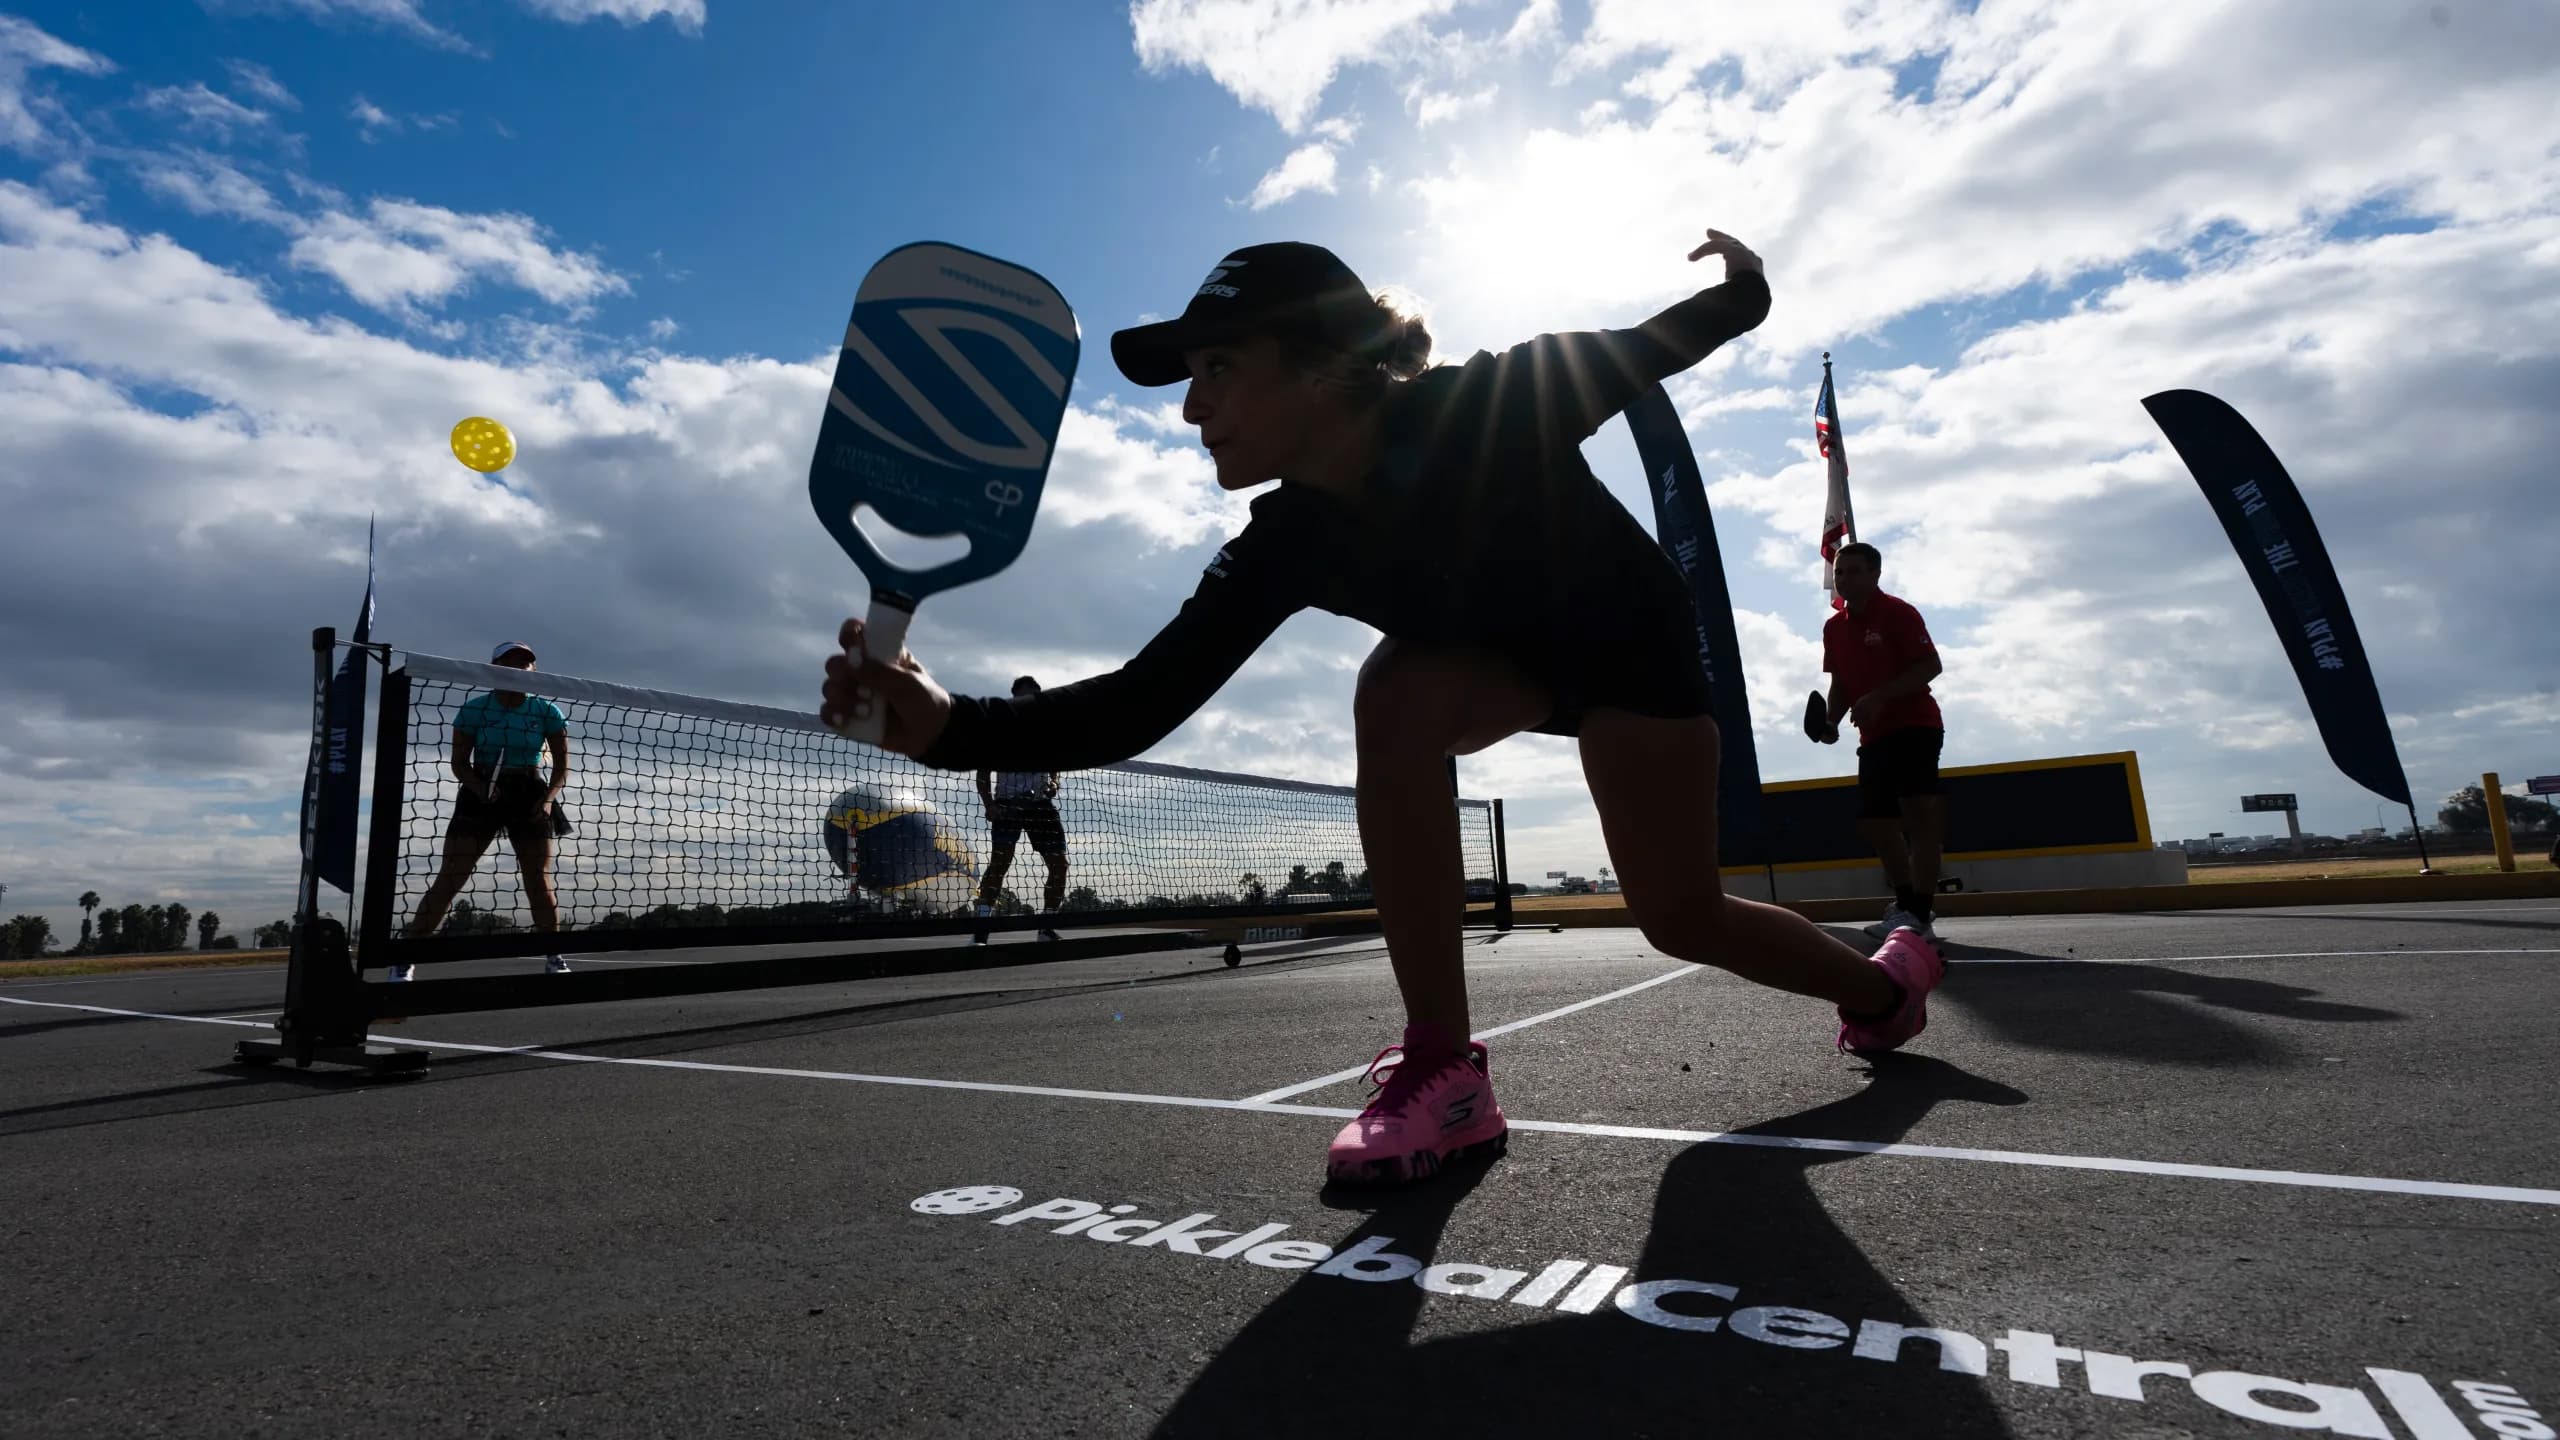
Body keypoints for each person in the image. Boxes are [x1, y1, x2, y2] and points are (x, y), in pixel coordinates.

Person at [822, 229, 1944, 1186]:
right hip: (1496, 662)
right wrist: (951, 729)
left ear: (1320, 368)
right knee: (1394, 692)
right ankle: (1445, 1070)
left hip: (1629, 654)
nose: (1190, 407)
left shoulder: (1488, 404)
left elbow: (1659, 344)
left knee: (1679, 918)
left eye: (1216, 367)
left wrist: (1744, 290)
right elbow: (1139, 701)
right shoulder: (1286, 540)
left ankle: (1882, 984)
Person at [395, 641, 573, 978]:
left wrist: (548, 798)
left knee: (538, 879)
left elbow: (562, 766)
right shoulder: (474, 710)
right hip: (481, 790)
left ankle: (554, 955)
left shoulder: (547, 711)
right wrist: (480, 789)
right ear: (494, 667)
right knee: (451, 877)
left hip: (529, 792)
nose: (519, 668)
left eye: (526, 663)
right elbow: (459, 763)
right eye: (511, 662)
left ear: (533, 671)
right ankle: (405, 958)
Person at [1821, 543, 1948, 939]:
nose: (1844, 579)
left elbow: (1931, 665)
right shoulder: (1834, 627)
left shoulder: (1898, 613)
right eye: (1840, 572)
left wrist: (1879, 696)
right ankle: (1907, 904)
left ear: (1875, 574)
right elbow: (1840, 684)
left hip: (1916, 726)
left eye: (1854, 571)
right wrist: (1830, 721)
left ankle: (1920, 912)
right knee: (1877, 824)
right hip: (1873, 736)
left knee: (1919, 815)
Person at [974, 676, 1070, 944]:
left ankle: (1046, 927)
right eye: (1024, 696)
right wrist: (989, 805)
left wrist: (1054, 783)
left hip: (1040, 806)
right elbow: (983, 773)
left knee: (1060, 864)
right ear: (1014, 697)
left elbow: (1055, 768)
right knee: (999, 865)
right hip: (1007, 806)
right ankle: (981, 931)